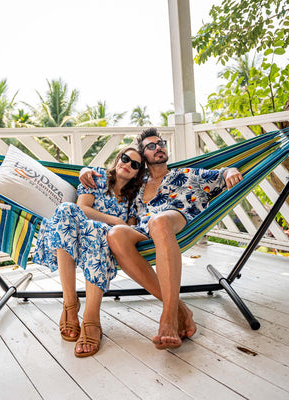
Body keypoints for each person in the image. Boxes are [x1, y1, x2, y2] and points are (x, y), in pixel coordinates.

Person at [79, 128, 243, 350]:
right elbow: (111, 176)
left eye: (161, 143)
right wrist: (85, 170)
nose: (159, 147)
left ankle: (168, 318)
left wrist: (231, 170)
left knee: (159, 221)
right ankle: (180, 309)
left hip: (176, 221)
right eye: (151, 146)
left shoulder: (186, 174)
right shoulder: (137, 184)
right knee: (115, 234)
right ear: (143, 157)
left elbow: (223, 173)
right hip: (145, 229)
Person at [33, 147, 145, 357]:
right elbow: (81, 208)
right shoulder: (97, 177)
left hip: (103, 244)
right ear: (118, 158)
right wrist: (115, 220)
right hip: (73, 236)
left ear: (138, 173)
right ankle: (70, 303)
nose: (128, 164)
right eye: (125, 158)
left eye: (135, 164)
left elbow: (128, 229)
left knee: (96, 230)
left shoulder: (134, 199)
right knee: (66, 209)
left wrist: (119, 225)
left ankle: (91, 317)